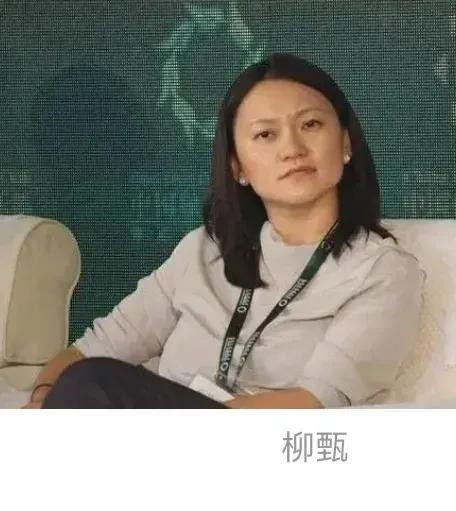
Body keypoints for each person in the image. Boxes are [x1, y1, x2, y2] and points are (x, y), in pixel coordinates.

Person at [24, 52, 425, 409]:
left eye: (311, 124)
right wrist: (43, 398)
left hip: (266, 449)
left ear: (346, 144)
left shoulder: (382, 271)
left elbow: (313, 402)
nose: (292, 148)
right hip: (162, 438)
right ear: (238, 167)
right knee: (82, 382)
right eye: (266, 134)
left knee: (92, 385)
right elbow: (92, 349)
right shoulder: (204, 250)